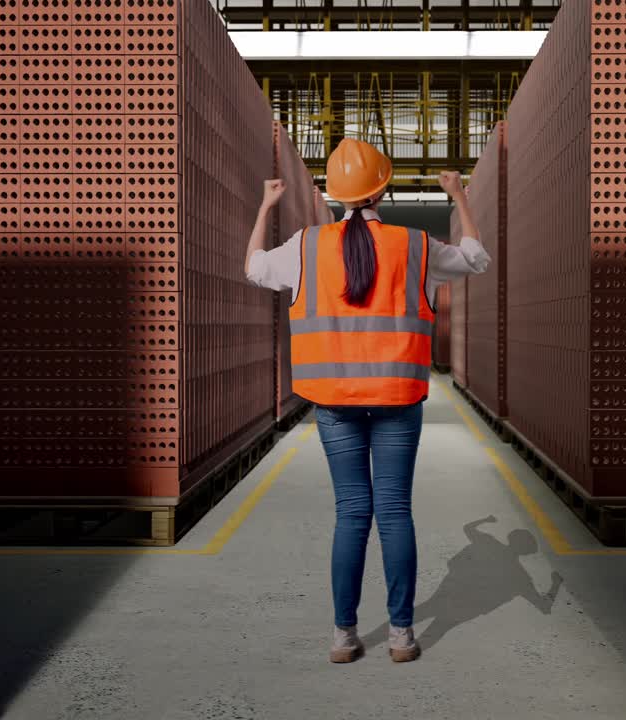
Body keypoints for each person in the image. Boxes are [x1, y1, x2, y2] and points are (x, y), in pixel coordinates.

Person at [243, 138, 491, 663]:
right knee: (395, 513)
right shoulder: (417, 246)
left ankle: (344, 636)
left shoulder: (306, 247)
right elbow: (476, 259)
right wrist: (458, 196)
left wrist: (266, 204)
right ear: (383, 188)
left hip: (334, 403)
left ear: (335, 194)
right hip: (400, 397)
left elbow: (255, 269)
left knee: (352, 513)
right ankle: (402, 635)